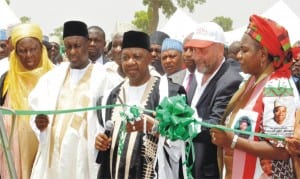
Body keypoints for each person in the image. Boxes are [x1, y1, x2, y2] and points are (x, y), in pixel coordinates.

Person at [211, 14, 298, 178]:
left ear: (263, 54)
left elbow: (281, 151)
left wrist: (232, 141)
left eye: (244, 50)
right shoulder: (250, 82)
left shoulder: (277, 88)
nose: (238, 55)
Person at [95, 30, 186, 179]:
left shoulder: (170, 94)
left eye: (137, 57)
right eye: (126, 57)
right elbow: (101, 136)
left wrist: (154, 127)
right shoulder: (109, 98)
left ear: (150, 57)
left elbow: (181, 143)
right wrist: (99, 142)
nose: (130, 62)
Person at [29, 20, 112, 179]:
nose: (72, 52)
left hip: (83, 155)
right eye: (68, 47)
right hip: (53, 154)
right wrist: (41, 123)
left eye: (77, 46)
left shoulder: (104, 77)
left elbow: (112, 116)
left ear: (87, 44)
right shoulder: (52, 77)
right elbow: (36, 109)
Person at [184, 21, 243, 178]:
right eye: (194, 50)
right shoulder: (199, 73)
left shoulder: (230, 81)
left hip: (210, 171)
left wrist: (178, 127)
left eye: (203, 50)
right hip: (190, 167)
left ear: (220, 49)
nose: (196, 56)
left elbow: (214, 126)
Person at [0, 23, 53, 179]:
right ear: (15, 53)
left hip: (45, 150)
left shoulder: (56, 78)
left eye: (33, 49)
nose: (28, 55)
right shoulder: (6, 80)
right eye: (22, 51)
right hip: (14, 154)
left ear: (41, 49)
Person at [182, 33, 197, 105]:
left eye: (192, 49)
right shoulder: (176, 77)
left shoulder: (207, 80)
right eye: (185, 49)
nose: (187, 54)